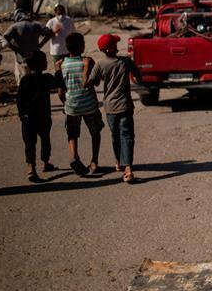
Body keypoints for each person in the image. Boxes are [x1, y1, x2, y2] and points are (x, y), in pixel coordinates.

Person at [88, 34, 141, 183]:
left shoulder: (100, 65)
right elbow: (138, 77)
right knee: (127, 136)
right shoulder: (126, 62)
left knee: (115, 135)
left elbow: (92, 82)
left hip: (110, 107)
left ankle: (118, 161)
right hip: (125, 105)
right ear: (114, 47)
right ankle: (128, 168)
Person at [57, 32, 102, 176]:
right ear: (82, 47)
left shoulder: (62, 64)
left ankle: (74, 156)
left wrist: (66, 103)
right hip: (89, 105)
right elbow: (96, 82)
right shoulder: (87, 62)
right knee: (95, 132)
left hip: (72, 105)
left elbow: (60, 91)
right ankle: (94, 161)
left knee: (72, 134)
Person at [17, 51, 60, 183]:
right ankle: (45, 162)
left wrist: (22, 115)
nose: (47, 63)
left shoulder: (25, 80)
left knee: (30, 143)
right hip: (43, 116)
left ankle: (31, 167)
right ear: (41, 64)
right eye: (45, 61)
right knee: (45, 140)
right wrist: (58, 69)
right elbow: (59, 82)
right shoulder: (46, 78)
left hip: (28, 117)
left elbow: (19, 100)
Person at [4, 9, 53, 86]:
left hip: (21, 58)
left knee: (23, 81)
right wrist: (41, 44)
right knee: (35, 81)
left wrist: (14, 48)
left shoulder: (14, 26)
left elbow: (4, 38)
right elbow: (50, 33)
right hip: (35, 59)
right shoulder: (36, 24)